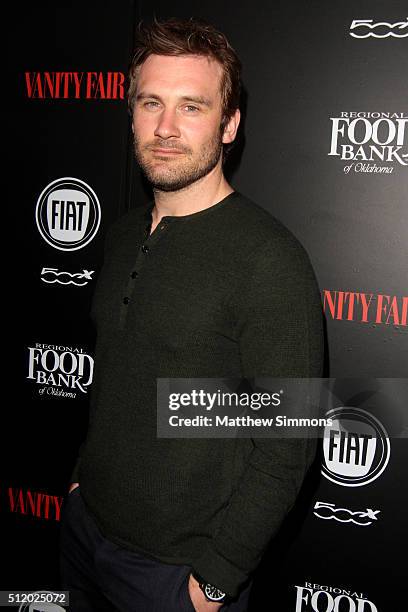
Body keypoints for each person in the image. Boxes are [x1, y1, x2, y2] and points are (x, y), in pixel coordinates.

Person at [59, 16, 324, 612]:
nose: (166, 127)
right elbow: (116, 378)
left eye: (192, 107)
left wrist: (215, 581)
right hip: (84, 532)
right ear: (132, 113)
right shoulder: (124, 235)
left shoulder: (269, 259)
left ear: (230, 125)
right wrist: (81, 483)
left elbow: (289, 439)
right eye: (151, 102)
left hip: (174, 576)